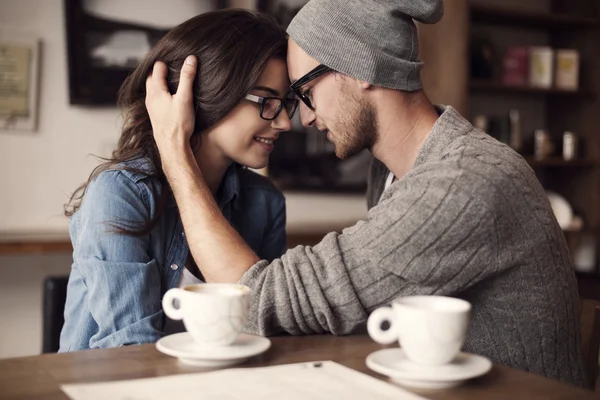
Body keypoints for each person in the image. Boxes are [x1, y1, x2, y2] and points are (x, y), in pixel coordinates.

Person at [144, 0, 587, 387]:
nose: (304, 120)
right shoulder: (394, 173)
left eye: (307, 92)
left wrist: (175, 151)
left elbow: (261, 300)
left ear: (359, 68)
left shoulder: (463, 184)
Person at [59, 9, 297, 351]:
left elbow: (266, 331)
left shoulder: (265, 202)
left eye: (285, 103)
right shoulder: (121, 194)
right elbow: (131, 349)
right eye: (267, 102)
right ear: (206, 92)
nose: (285, 122)